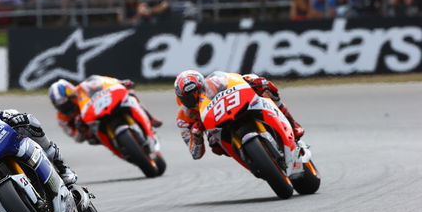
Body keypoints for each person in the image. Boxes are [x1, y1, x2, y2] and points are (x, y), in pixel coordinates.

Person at [174, 70, 304, 160]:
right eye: (189, 98)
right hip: (217, 127)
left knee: (266, 87)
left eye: (198, 92)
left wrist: (252, 80)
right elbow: (195, 154)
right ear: (181, 98)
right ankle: (250, 157)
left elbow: (236, 79)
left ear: (203, 85)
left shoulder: (215, 82)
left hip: (235, 106)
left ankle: (292, 124)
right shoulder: (183, 118)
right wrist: (197, 138)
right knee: (215, 146)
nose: (195, 98)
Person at [48, 76, 162, 144]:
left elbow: (105, 82)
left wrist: (120, 82)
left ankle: (150, 118)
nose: (67, 108)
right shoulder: (62, 118)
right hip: (93, 130)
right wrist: (81, 131)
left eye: (68, 103)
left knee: (129, 94)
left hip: (103, 107)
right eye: (61, 107)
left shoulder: (84, 87)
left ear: (73, 95)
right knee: (92, 141)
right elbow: (76, 138)